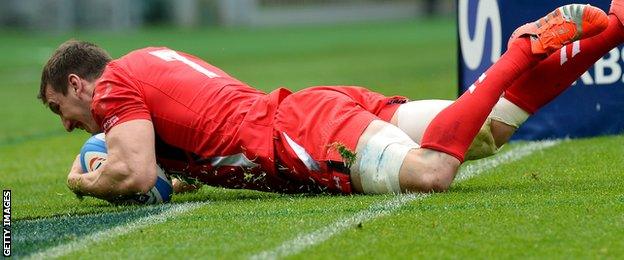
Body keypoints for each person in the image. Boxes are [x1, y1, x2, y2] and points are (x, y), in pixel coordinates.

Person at [38, 2, 621, 202]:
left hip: (298, 137)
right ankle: (615, 26)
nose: (68, 126)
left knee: (433, 173)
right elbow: (172, 161)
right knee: (487, 132)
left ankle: (521, 48)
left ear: (79, 85)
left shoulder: (114, 85)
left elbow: (133, 173)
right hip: (307, 109)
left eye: (59, 110)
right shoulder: (148, 63)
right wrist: (164, 175)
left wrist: (83, 181)